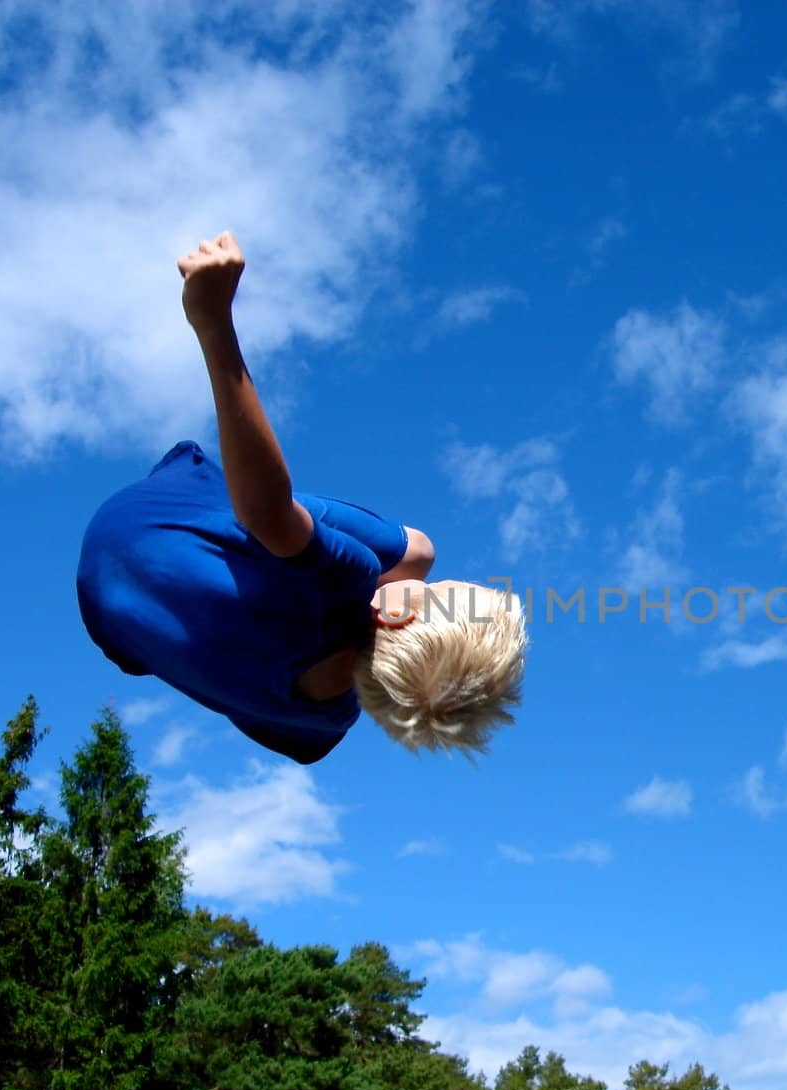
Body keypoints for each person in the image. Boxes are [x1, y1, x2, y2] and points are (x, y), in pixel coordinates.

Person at [76, 231, 526, 764]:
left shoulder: (351, 578)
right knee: (297, 602)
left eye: (434, 591)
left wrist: (213, 321)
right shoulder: (322, 728)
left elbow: (266, 512)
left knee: (415, 552)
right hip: (107, 611)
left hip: (151, 509)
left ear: (395, 610)